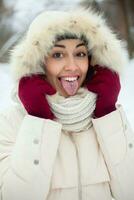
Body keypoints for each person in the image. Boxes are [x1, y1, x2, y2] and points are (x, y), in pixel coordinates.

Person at [0, 8, 134, 200]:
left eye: (80, 54)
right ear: (38, 62)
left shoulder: (108, 118)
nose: (72, 66)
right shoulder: (10, 122)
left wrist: (107, 113)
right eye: (57, 55)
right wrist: (38, 121)